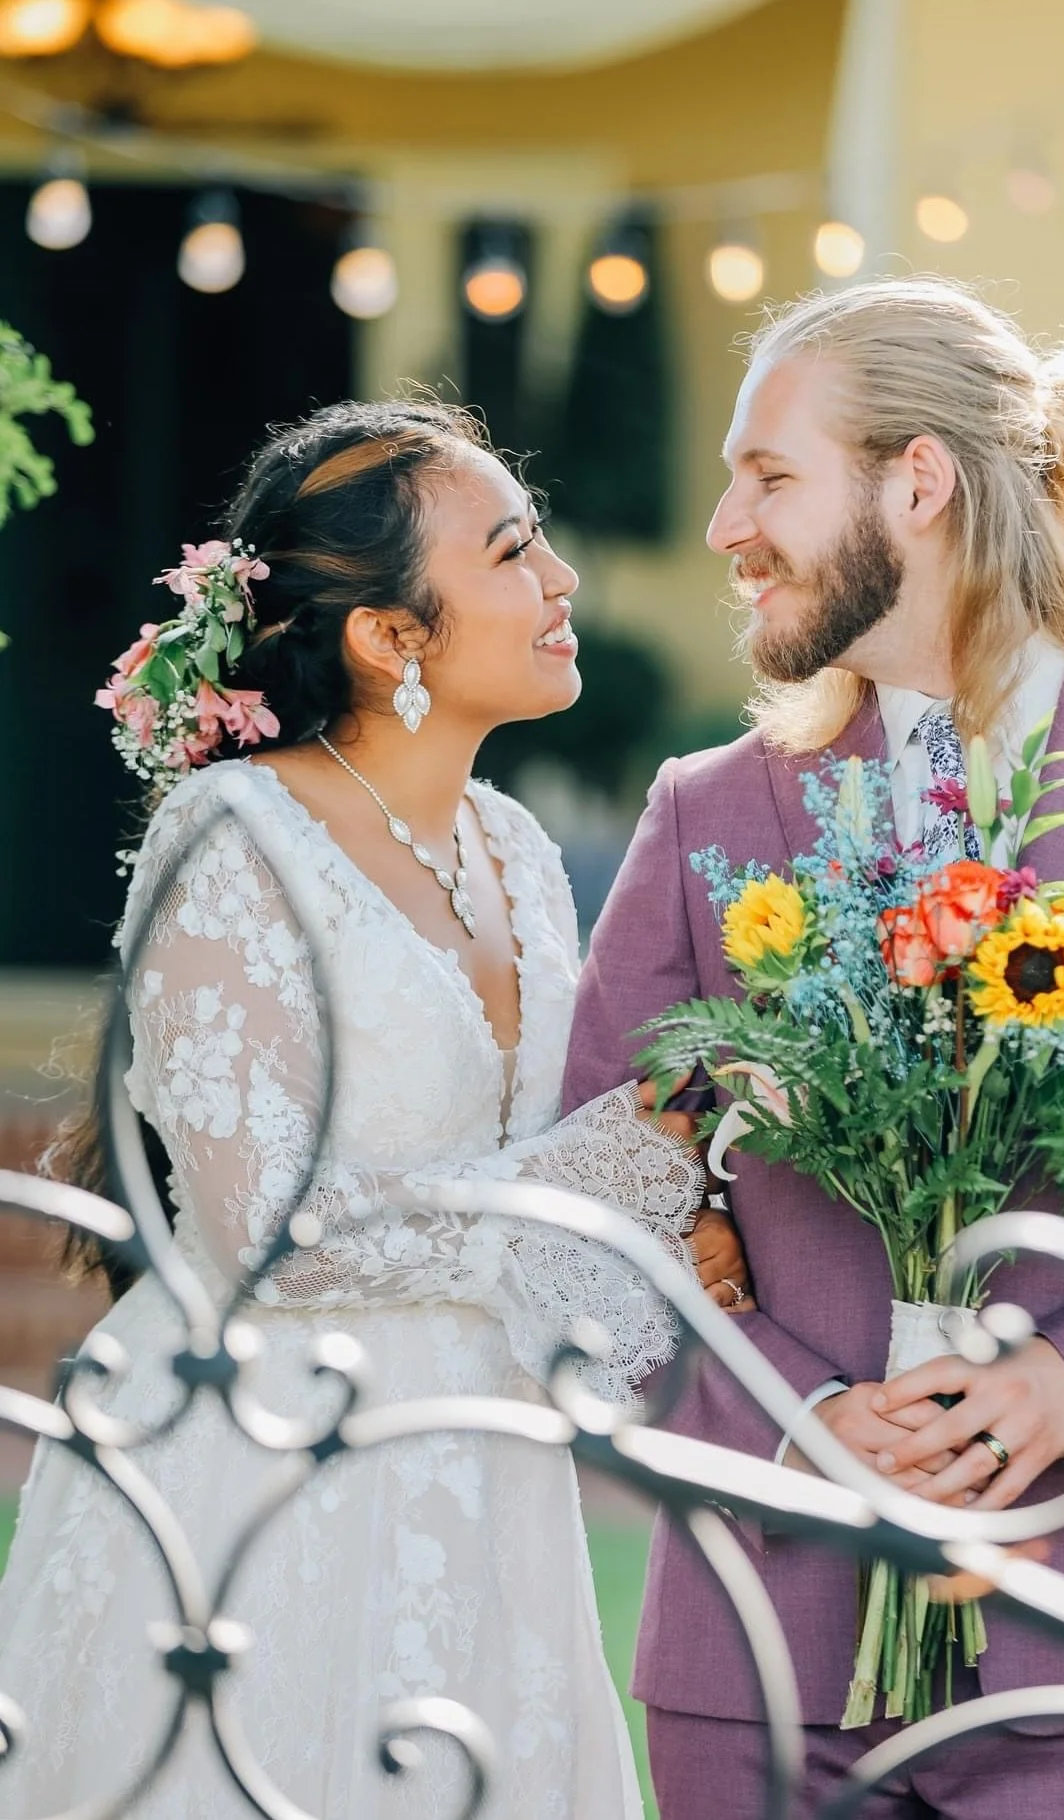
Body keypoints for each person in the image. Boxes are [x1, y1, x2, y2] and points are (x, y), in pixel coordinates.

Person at [564, 277, 1064, 1818]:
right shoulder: (707, 812)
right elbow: (599, 1198)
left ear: (916, 482)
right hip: (765, 1662)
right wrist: (795, 1418)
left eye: (770, 477)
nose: (727, 526)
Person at [0, 399, 749, 1820]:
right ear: (391, 639)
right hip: (265, 1463)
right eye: (515, 551)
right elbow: (260, 1238)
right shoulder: (228, 840)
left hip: (485, 1471)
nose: (562, 582)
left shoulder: (522, 852)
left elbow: (562, 1180)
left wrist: (685, 1192)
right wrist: (609, 1175)